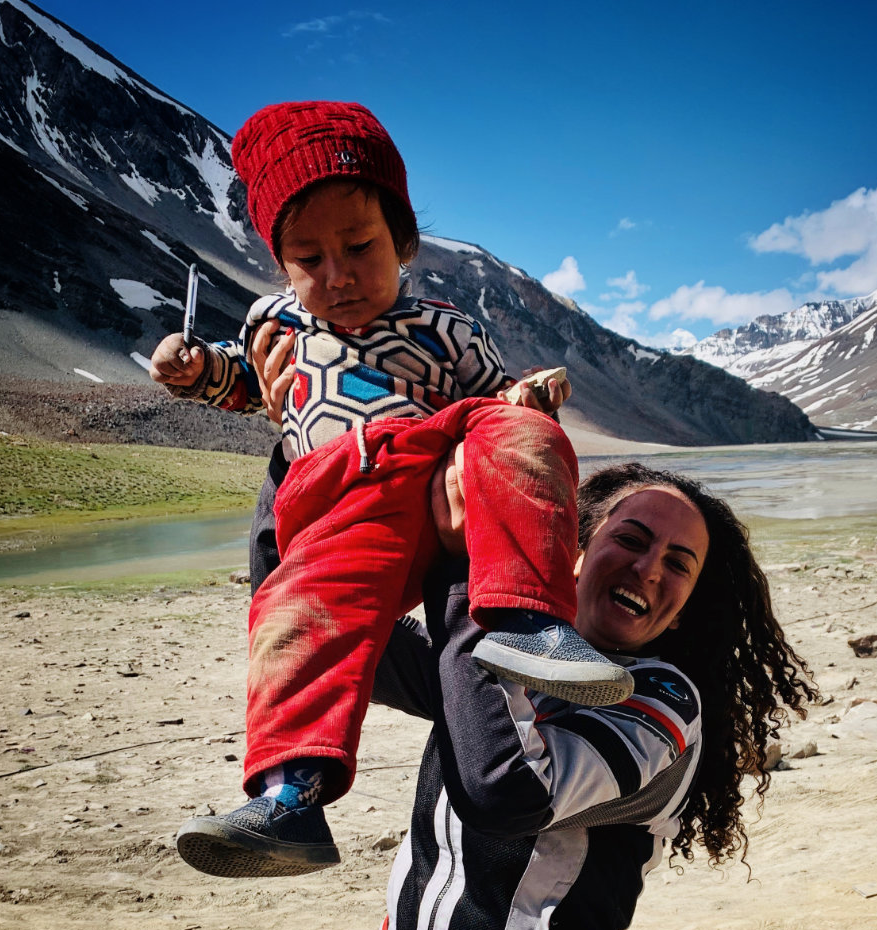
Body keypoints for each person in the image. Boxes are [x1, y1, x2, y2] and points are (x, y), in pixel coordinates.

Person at [151, 101, 631, 879]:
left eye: (360, 246)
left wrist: (528, 398)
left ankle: (530, 626)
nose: (336, 275)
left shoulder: (446, 329)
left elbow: (491, 398)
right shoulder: (274, 325)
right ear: (279, 263)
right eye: (307, 258)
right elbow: (240, 386)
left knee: (524, 438)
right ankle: (289, 799)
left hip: (432, 465)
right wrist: (192, 370)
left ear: (405, 241)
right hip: (341, 500)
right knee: (292, 611)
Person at [367, 458, 819, 930]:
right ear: (575, 553)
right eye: (630, 539)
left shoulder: (663, 704)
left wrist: (465, 575)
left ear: (682, 613)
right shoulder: (496, 650)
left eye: (677, 563)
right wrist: (295, 442)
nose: (648, 569)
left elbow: (503, 794)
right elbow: (314, 622)